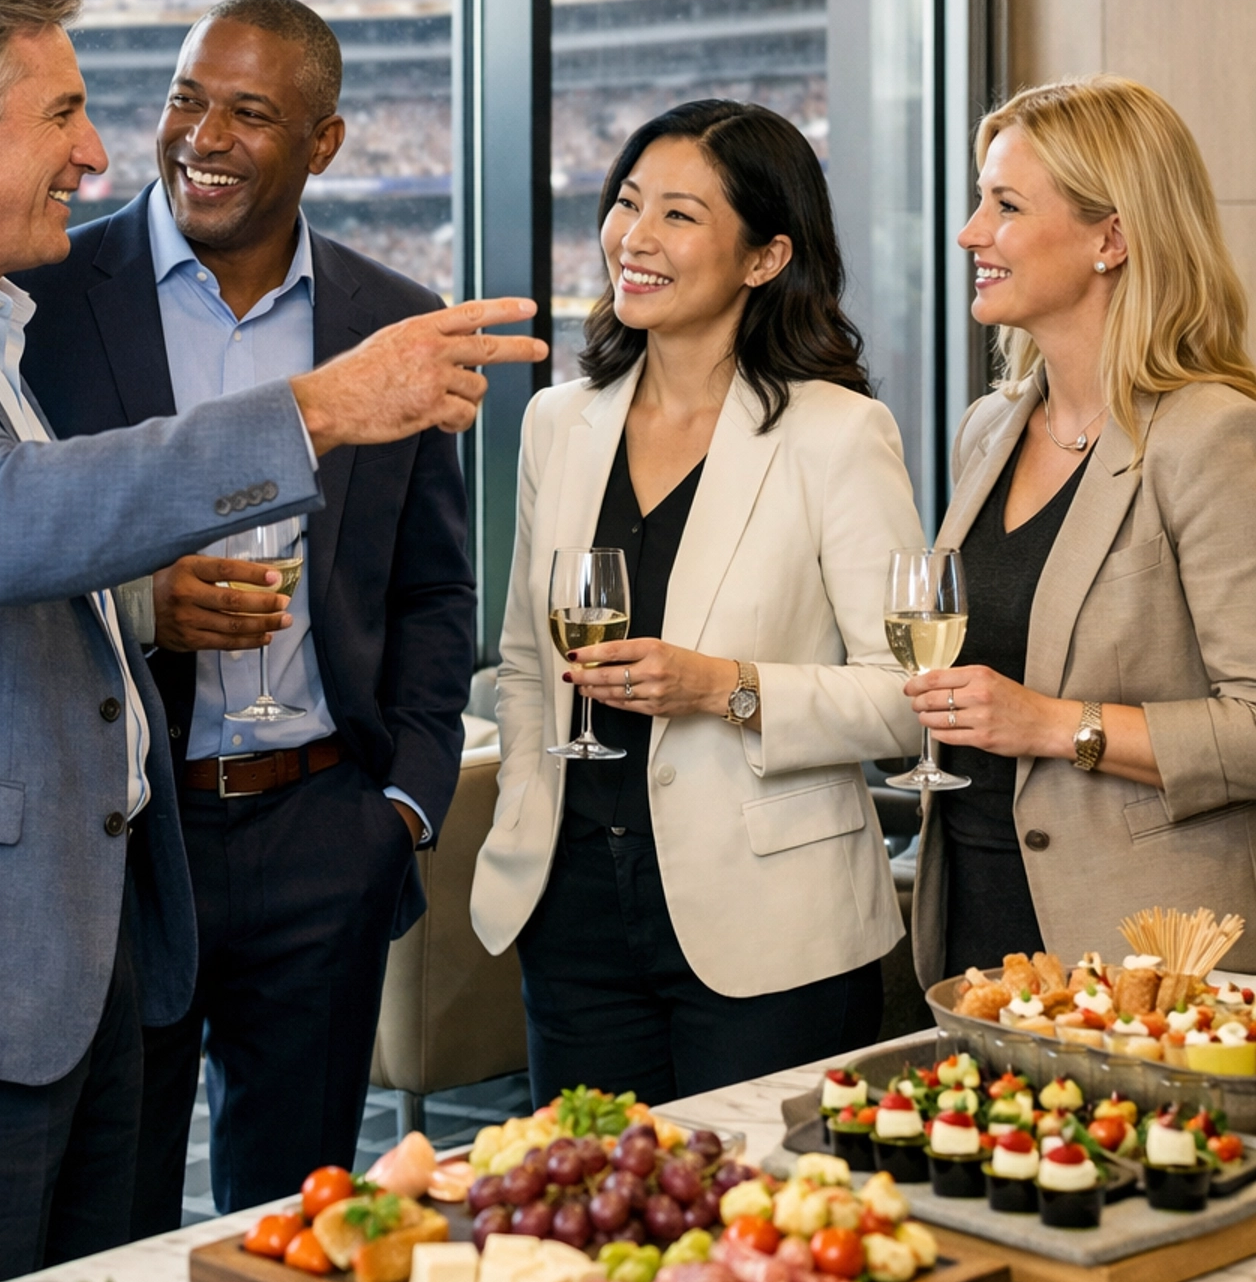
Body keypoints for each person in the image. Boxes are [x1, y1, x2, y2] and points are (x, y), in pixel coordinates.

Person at [0, 0, 541, 1282]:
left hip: (59, 960)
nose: (102, 154)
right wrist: (316, 413)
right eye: (66, 115)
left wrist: (152, 608)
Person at [16, 0, 474, 1222]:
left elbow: (435, 589)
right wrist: (145, 603)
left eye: (249, 112)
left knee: (299, 1226)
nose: (199, 135)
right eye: (183, 97)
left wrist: (404, 809)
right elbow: (6, 545)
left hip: (326, 832)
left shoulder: (392, 324)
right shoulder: (47, 301)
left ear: (323, 143)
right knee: (108, 1220)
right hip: (124, 843)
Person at [470, 98, 923, 1108]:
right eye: (628, 202)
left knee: (760, 1242)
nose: (635, 237)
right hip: (573, 909)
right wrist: (526, 820)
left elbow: (907, 700)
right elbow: (521, 663)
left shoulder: (839, 435)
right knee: (592, 1226)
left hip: (773, 929)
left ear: (765, 257)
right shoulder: (559, 422)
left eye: (679, 215)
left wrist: (728, 687)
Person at [908, 76, 1256, 982]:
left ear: (1112, 237)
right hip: (976, 923)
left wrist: (1057, 726)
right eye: (980, 201)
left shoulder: (1212, 432)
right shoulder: (989, 428)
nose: (970, 233)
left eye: (1006, 205)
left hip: (1145, 955)